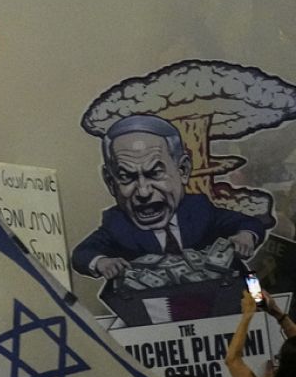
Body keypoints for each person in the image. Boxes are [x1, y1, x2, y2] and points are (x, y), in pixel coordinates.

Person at [71, 114, 266, 279]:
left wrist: (246, 236)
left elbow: (249, 223)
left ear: (183, 170)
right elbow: (82, 254)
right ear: (110, 182)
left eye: (155, 173)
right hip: (155, 305)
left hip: (226, 296)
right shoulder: (117, 224)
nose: (144, 192)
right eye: (126, 177)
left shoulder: (198, 209)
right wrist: (102, 262)